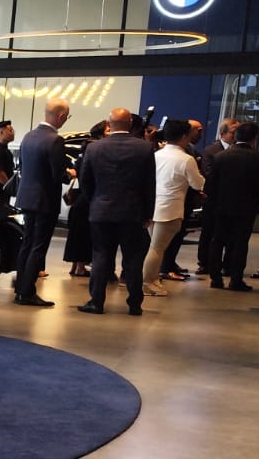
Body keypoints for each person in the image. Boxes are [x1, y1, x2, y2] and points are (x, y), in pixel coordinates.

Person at [77, 108, 156, 315]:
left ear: (108, 123)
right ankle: (135, 304)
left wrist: (95, 200)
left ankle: (96, 302)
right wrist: (148, 213)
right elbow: (149, 184)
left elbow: (85, 181)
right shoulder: (144, 148)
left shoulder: (94, 148)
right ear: (130, 123)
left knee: (101, 257)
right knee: (133, 259)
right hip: (133, 212)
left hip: (101, 211)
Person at [12, 99, 70, 307]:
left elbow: (24, 166)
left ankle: (20, 288)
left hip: (26, 197)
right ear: (61, 116)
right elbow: (57, 174)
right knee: (38, 246)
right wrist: (69, 174)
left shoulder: (29, 136)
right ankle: (27, 292)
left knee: (27, 244)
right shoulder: (55, 140)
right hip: (45, 200)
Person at [142, 119, 205, 297]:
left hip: (153, 206)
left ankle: (153, 280)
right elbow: (198, 183)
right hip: (170, 208)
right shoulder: (186, 159)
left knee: (154, 247)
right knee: (157, 248)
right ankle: (147, 283)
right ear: (184, 136)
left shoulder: (156, 155)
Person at [204, 121, 259, 290]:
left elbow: (210, 184)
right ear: (254, 138)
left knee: (217, 241)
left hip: (221, 206)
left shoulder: (220, 156)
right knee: (240, 243)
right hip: (246, 207)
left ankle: (215, 278)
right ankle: (236, 279)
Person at [64, 120, 108, 276]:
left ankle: (75, 266)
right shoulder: (97, 151)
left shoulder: (84, 150)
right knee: (85, 235)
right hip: (88, 199)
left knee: (76, 234)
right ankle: (81, 268)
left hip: (79, 199)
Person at [196, 119, 234, 276]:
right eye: (233, 132)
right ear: (223, 133)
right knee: (208, 232)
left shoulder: (240, 150)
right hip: (214, 198)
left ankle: (227, 265)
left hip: (233, 200)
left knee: (231, 235)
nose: (236, 135)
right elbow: (208, 172)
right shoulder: (211, 150)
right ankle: (204, 263)